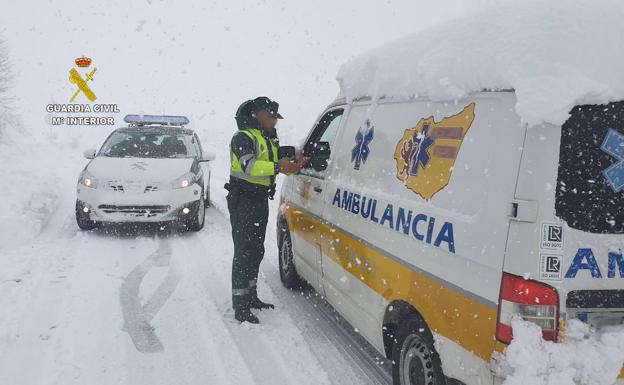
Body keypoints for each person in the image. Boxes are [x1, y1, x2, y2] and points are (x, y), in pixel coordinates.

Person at [225, 96, 308, 324]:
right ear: (257, 114)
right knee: (244, 253)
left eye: (275, 118)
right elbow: (250, 166)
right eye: (271, 116)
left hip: (259, 200)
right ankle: (240, 306)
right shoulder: (242, 137)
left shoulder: (267, 138)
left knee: (256, 250)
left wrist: (293, 165)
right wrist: (279, 166)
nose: (274, 121)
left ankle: (251, 297)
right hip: (242, 201)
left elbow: (275, 165)